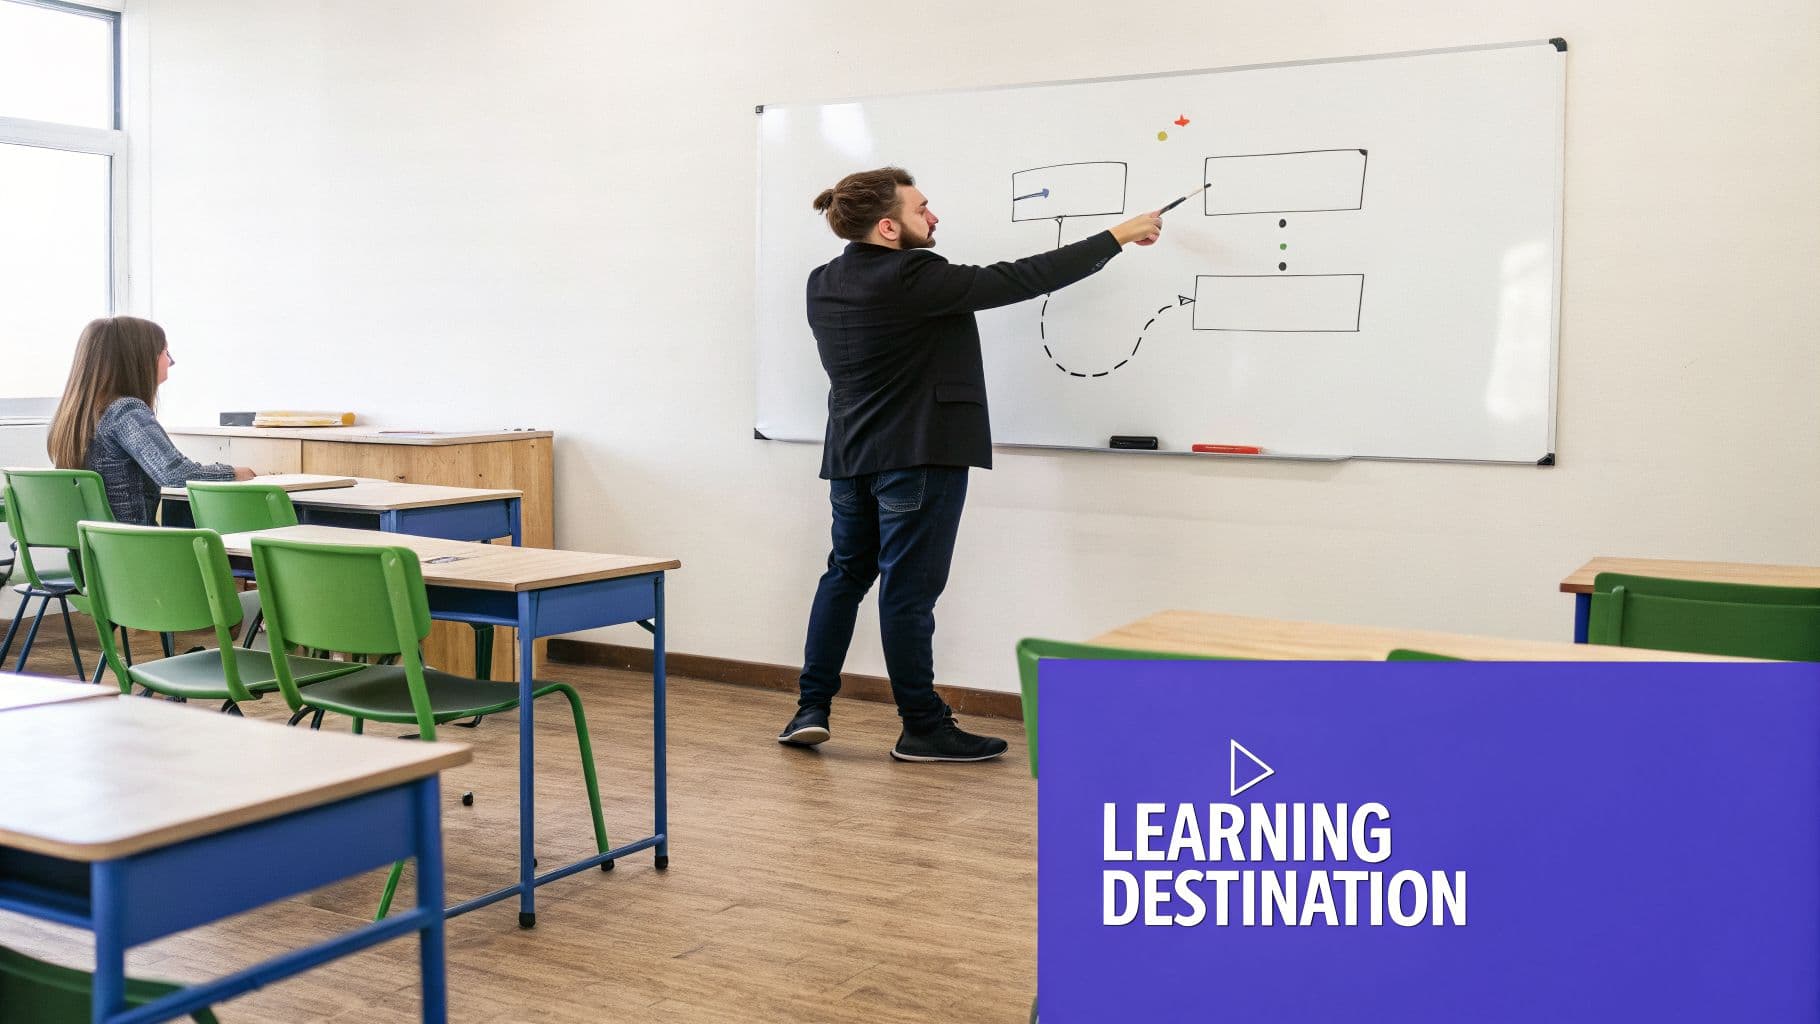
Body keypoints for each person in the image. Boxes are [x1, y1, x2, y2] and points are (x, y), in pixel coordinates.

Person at [779, 166, 1163, 762]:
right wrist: (1113, 238)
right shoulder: (913, 274)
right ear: (888, 227)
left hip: (851, 458)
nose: (933, 217)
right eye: (921, 209)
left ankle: (810, 708)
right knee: (908, 594)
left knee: (845, 576)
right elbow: (1017, 279)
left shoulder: (822, 281)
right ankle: (922, 727)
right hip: (919, 456)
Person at [47, 316, 254, 525]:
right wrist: (234, 472)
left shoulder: (75, 416)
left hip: (95, 551)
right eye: (165, 352)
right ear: (140, 359)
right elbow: (175, 474)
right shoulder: (125, 412)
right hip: (136, 550)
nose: (170, 362)